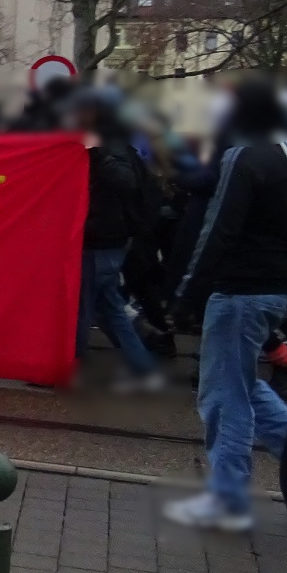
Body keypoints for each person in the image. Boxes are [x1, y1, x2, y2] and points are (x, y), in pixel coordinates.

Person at [166, 78, 287, 534]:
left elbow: (218, 228)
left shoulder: (243, 155)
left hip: (240, 287)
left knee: (222, 394)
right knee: (242, 383)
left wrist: (187, 294)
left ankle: (228, 499)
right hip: (276, 287)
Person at [67, 88, 165, 392]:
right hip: (107, 241)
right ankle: (143, 367)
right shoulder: (111, 141)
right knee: (110, 307)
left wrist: (95, 152)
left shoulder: (108, 144)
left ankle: (69, 369)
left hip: (100, 241)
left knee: (81, 308)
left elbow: (125, 182)